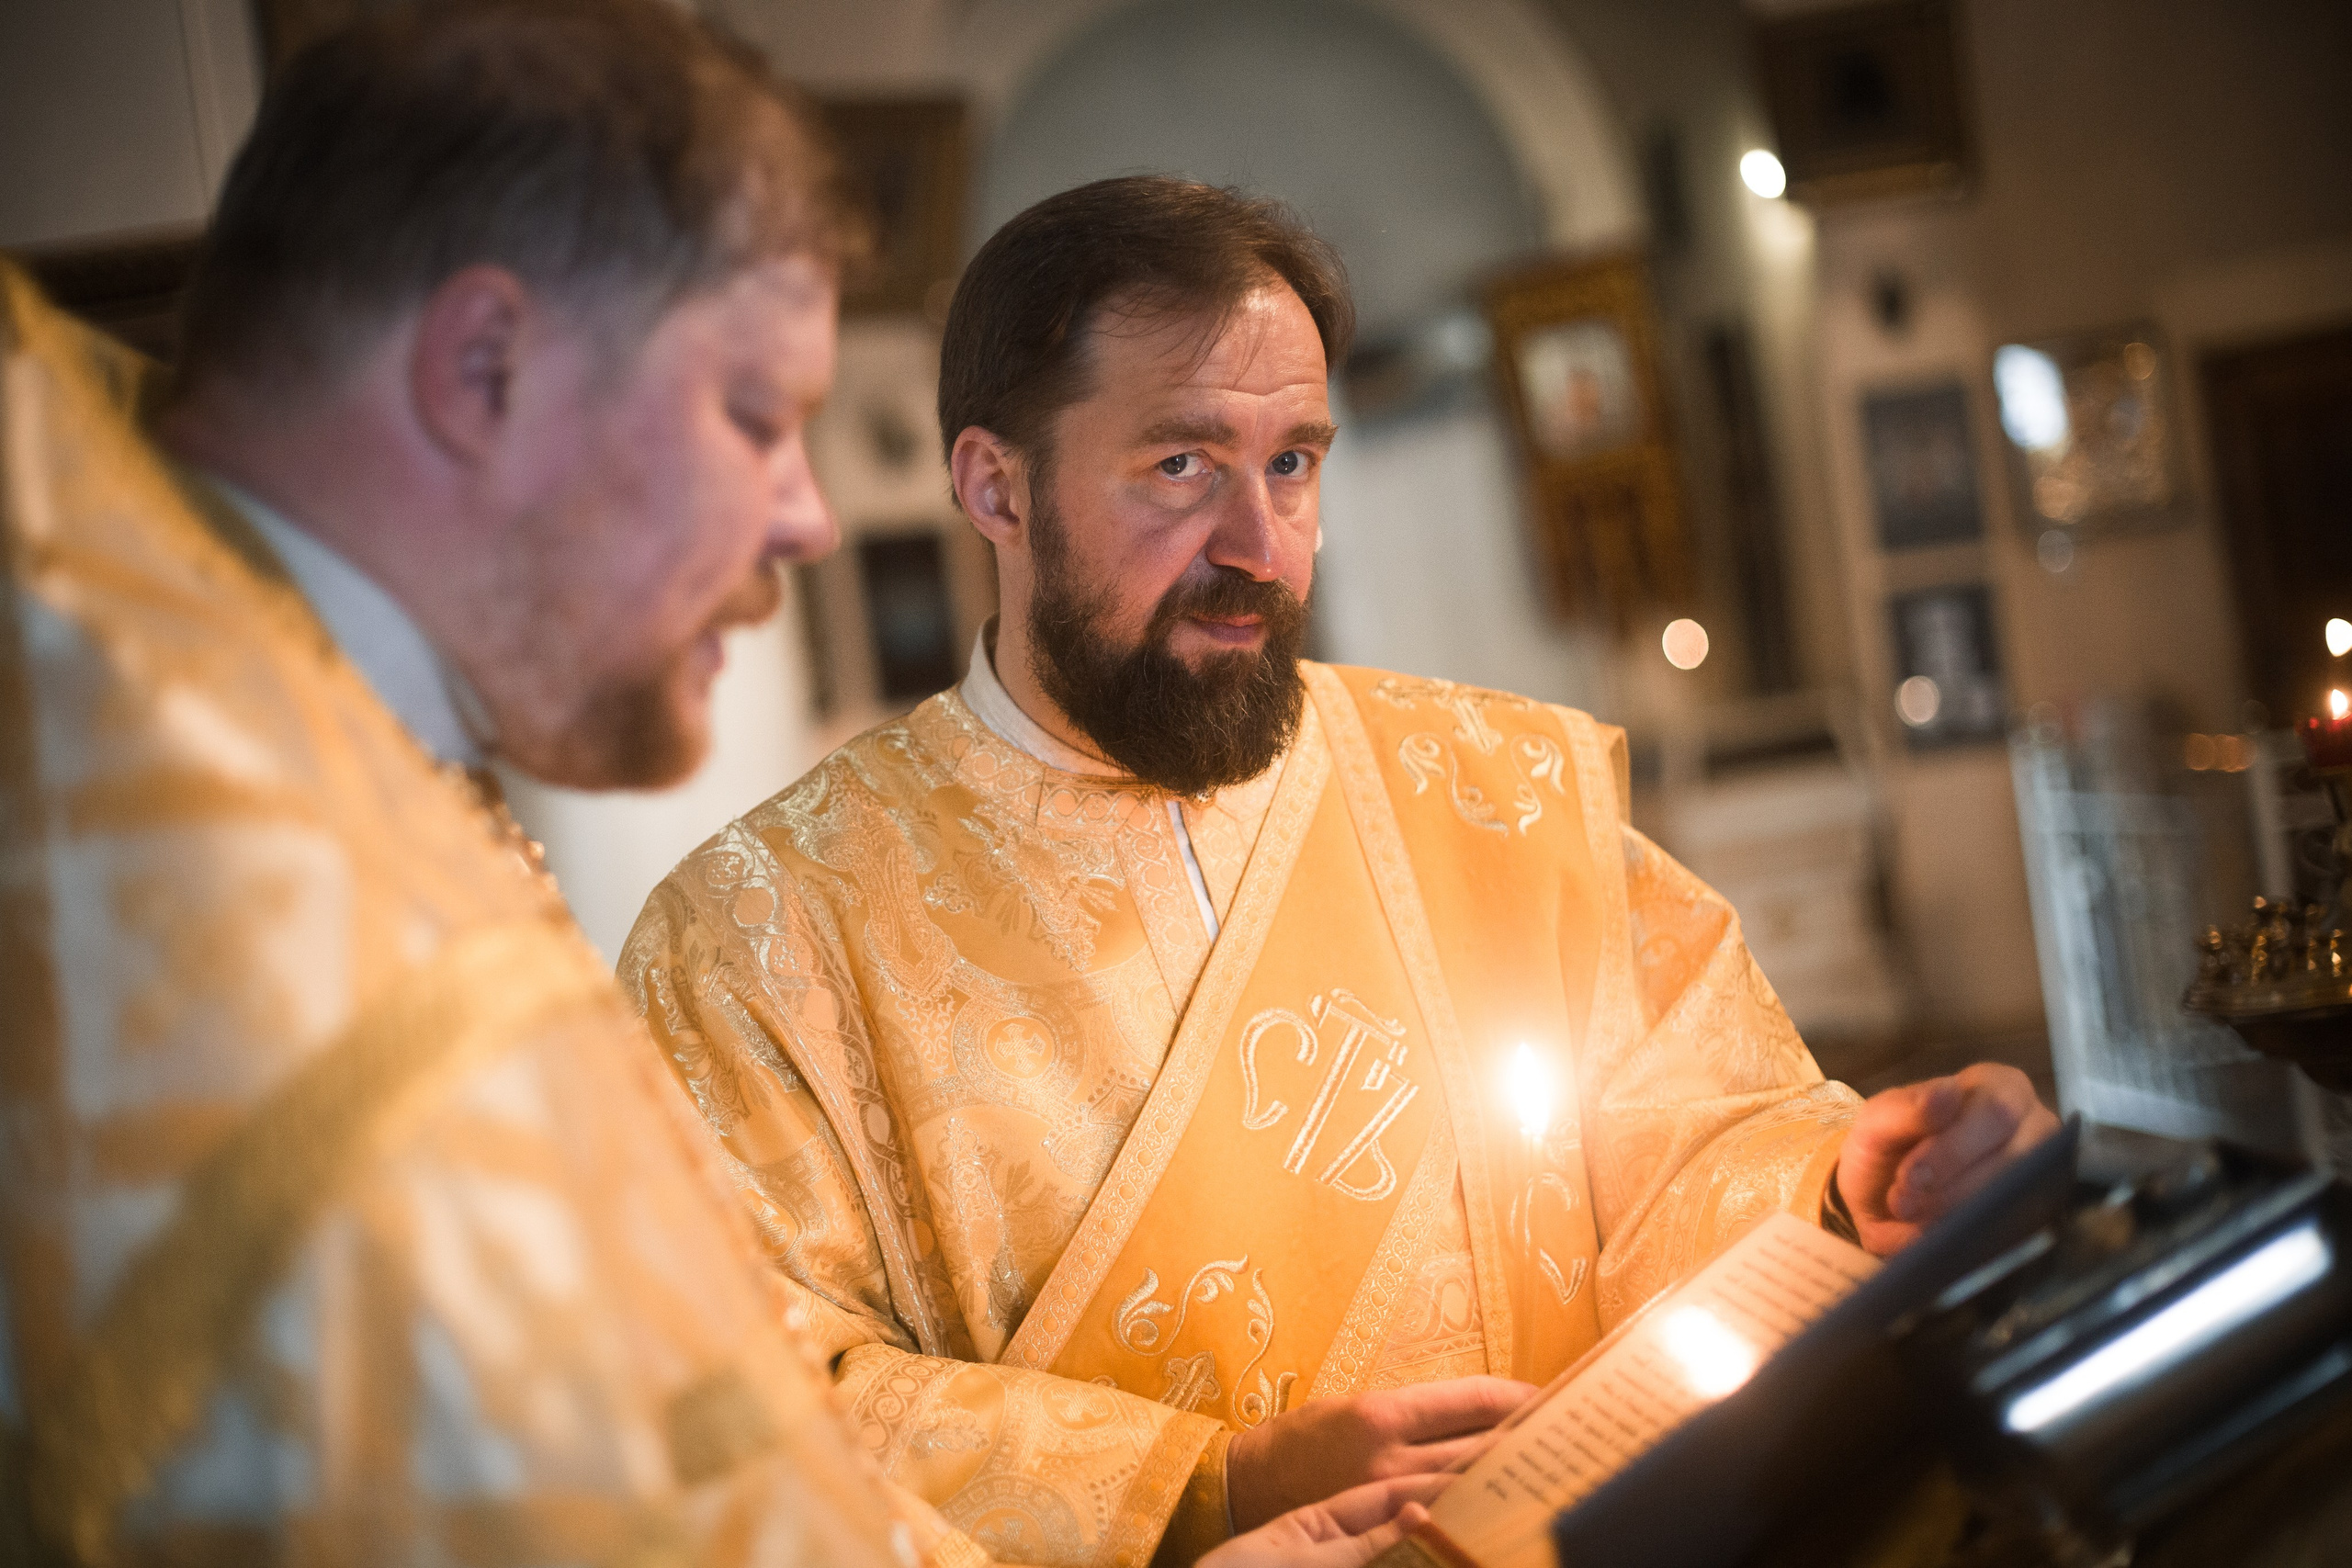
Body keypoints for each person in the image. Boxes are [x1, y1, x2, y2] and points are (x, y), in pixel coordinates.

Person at [0, 13, 1419, 1566]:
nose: (809, 520)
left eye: (1297, 463)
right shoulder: (197, 891)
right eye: (752, 415)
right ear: (484, 370)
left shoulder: (296, 764)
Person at [620, 175, 2060, 1566]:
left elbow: (1690, 1131)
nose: (1259, 545)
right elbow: (738, 1395)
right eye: (1181, 465)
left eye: (1293, 464)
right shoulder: (762, 935)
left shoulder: (1496, 794)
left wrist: (1845, 1186)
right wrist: (1209, 1485)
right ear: (996, 487)